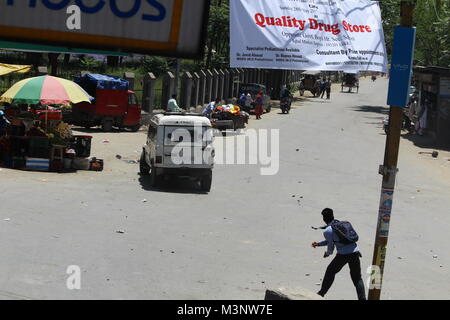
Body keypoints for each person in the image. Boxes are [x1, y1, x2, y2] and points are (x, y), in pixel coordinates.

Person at [312, 208, 366, 300]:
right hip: (355, 252)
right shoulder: (339, 224)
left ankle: (321, 294)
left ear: (324, 219)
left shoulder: (327, 231)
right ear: (333, 216)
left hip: (343, 255)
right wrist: (319, 244)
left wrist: (327, 253)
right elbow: (334, 240)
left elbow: (331, 247)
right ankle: (362, 299)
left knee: (330, 271)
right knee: (357, 278)